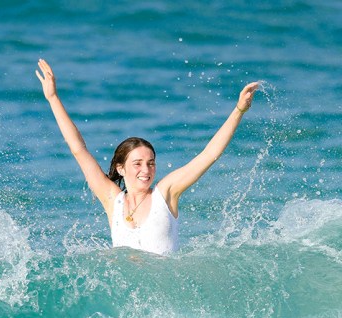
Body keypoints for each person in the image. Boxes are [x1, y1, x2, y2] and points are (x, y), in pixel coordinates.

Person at [36, 59, 258, 255]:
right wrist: (53, 98)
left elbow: (209, 155)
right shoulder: (113, 200)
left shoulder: (166, 193)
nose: (146, 170)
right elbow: (78, 149)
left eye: (151, 163)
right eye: (138, 163)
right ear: (121, 168)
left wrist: (238, 111)